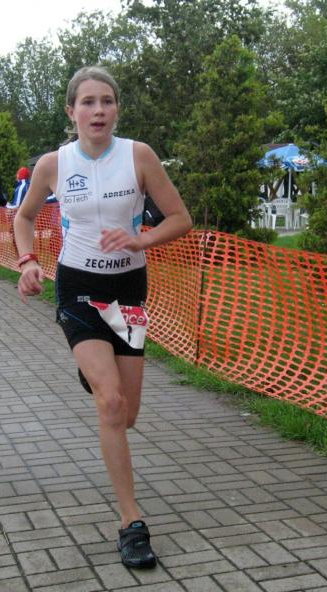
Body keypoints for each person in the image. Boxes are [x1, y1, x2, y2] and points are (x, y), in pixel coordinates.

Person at [13, 66, 192, 569]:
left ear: (117, 110)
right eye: (88, 102)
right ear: (71, 112)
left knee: (127, 414)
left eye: (107, 101)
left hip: (128, 290)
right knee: (111, 403)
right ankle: (131, 521)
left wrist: (141, 239)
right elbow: (24, 216)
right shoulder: (54, 164)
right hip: (78, 288)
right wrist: (27, 262)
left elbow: (180, 218)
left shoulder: (139, 156)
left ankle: (96, 373)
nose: (98, 111)